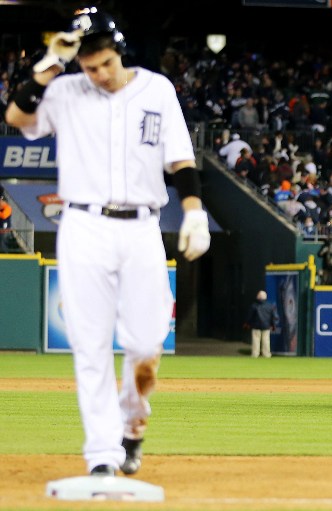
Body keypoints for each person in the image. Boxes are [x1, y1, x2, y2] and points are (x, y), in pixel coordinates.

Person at [5, 7, 210, 476]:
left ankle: (132, 427)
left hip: (141, 226)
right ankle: (101, 453)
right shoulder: (64, 89)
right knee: (90, 344)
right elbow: (16, 115)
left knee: (145, 346)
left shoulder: (156, 89)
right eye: (88, 66)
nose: (97, 74)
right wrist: (45, 69)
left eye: (104, 64)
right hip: (84, 225)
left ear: (119, 52)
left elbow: (180, 158)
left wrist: (195, 212)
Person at [245, 290, 279, 358]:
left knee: (255, 341)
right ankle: (266, 354)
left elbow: (250, 316)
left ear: (258, 297)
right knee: (266, 341)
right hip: (266, 326)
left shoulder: (254, 306)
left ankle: (255, 354)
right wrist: (273, 325)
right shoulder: (270, 306)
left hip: (256, 326)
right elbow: (274, 317)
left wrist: (247, 323)